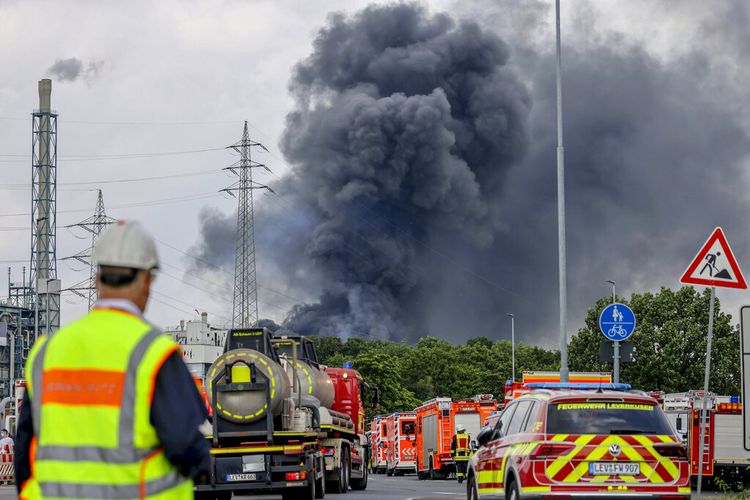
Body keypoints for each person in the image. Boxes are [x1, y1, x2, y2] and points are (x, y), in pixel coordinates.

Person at [15, 220, 210, 499]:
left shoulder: (47, 353)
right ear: (147, 281)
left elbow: (24, 454)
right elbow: (185, 446)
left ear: (97, 280)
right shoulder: (154, 353)